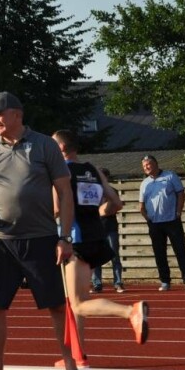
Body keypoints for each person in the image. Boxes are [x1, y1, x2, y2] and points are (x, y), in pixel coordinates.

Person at [0, 91, 91, 370]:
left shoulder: (44, 145)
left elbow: (64, 192)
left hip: (42, 240)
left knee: (57, 307)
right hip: (0, 242)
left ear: (17, 115)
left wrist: (64, 237)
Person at [52, 131, 149, 343]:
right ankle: (79, 357)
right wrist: (96, 213)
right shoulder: (92, 169)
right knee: (77, 300)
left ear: (60, 148)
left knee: (77, 303)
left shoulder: (61, 172)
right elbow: (116, 203)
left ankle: (130, 312)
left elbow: (56, 210)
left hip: (74, 239)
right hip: (96, 237)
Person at [139, 155, 185, 292]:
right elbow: (141, 205)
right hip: (155, 224)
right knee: (159, 253)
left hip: (172, 221)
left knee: (181, 250)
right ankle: (165, 281)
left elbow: (182, 195)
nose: (146, 167)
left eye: (149, 164)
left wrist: (178, 213)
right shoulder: (144, 183)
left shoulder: (170, 176)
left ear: (156, 164)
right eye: (144, 166)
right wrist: (148, 219)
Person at [90, 168, 125, 293]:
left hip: (110, 228)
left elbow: (114, 207)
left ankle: (118, 282)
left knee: (114, 255)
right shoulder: (91, 191)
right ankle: (97, 284)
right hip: (96, 229)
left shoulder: (112, 191)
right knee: (96, 257)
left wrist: (101, 211)